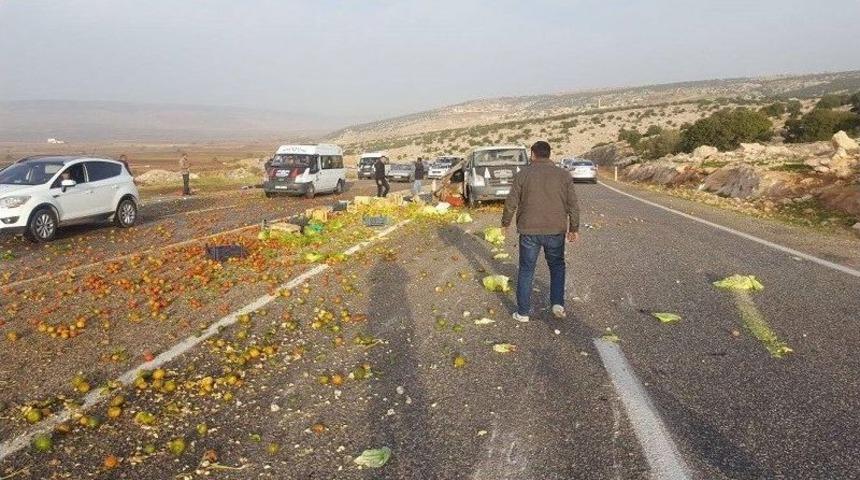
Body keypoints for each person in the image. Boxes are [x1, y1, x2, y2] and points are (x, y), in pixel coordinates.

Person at [501, 141, 580, 323]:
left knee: (527, 270)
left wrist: (505, 224)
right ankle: (557, 303)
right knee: (557, 266)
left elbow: (511, 202)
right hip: (555, 231)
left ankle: (522, 313)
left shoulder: (523, 174)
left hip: (529, 231)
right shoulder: (563, 175)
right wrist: (574, 228)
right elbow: (573, 205)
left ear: (533, 154)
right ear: (549, 154)